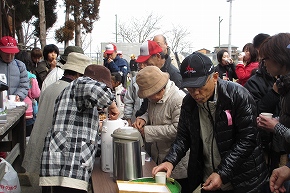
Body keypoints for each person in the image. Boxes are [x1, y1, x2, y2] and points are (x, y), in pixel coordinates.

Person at [152, 52, 268, 193]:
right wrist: (170, 161)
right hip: (209, 176)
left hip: (243, 178)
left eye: (199, 86)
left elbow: (247, 140)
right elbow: (183, 137)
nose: (195, 93)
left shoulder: (238, 96)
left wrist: (222, 172)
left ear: (214, 77)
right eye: (190, 87)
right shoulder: (189, 102)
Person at [39, 64, 119, 193]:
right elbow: (101, 93)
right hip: (67, 168)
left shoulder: (74, 91)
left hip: (65, 166)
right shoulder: (81, 83)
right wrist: (113, 105)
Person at [22, 52, 91, 193]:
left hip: (42, 141)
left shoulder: (51, 87)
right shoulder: (71, 91)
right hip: (58, 148)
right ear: (79, 74)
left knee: (46, 184)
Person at [133, 66, 189, 193]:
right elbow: (150, 112)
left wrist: (147, 131)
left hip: (177, 163)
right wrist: (143, 118)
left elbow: (177, 130)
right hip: (157, 157)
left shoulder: (178, 99)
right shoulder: (153, 97)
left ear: (160, 89)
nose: (149, 98)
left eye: (150, 95)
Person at [244, 33, 284, 176]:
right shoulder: (254, 82)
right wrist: (274, 92)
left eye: (265, 58)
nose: (263, 61)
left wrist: (278, 127)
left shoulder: (285, 80)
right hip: (266, 147)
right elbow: (254, 112)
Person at [257, 33, 290, 192]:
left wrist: (276, 127)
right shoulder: (284, 84)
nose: (263, 64)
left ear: (278, 57)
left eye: (265, 59)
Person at [15, 51, 41, 137]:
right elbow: (36, 94)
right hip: (28, 111)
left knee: (16, 136)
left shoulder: (13, 74)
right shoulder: (31, 77)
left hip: (13, 110)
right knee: (27, 137)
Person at [0, 36, 29, 101]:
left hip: (14, 105)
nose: (9, 56)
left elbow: (24, 85)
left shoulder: (20, 66)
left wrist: (18, 95)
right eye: (6, 53)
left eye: (12, 53)